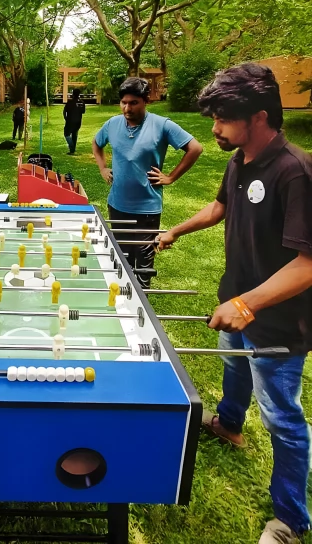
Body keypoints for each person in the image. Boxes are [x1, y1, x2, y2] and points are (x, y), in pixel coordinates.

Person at [157, 64, 312, 544]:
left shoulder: (296, 171)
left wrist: (247, 303)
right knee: (233, 364)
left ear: (259, 116)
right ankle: (228, 423)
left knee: (282, 416)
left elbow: (308, 263)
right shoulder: (240, 159)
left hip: (280, 322)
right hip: (238, 301)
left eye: (223, 118)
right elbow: (221, 207)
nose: (214, 128)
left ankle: (290, 519)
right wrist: (177, 230)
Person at [92, 77, 202, 287]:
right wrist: (103, 168)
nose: (127, 108)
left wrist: (170, 177)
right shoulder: (112, 124)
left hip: (146, 207)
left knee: (143, 256)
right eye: (124, 102)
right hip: (117, 203)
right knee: (122, 253)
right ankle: (123, 295)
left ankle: (142, 296)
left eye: (133, 103)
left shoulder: (162, 125)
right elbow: (97, 145)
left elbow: (195, 148)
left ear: (146, 101)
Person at [63, 88, 86, 154]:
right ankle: (72, 150)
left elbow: (65, 111)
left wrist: (65, 118)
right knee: (74, 134)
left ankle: (72, 147)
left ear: (73, 94)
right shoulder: (82, 102)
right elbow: (83, 111)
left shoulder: (70, 102)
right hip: (78, 121)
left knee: (66, 134)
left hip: (70, 121)